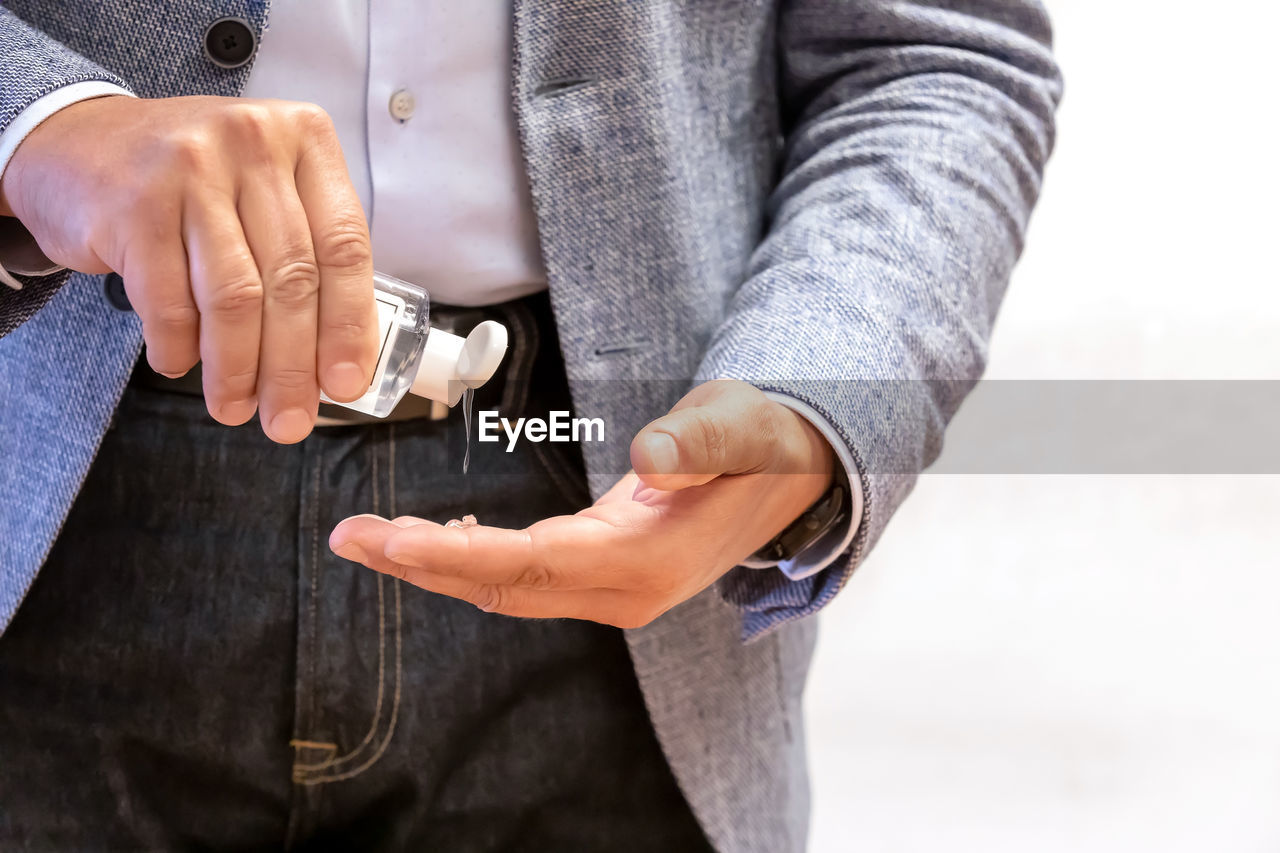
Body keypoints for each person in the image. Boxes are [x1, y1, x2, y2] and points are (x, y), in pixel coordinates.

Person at [0, 1, 1061, 850]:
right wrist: (38, 120)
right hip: (44, 506)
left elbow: (929, 56)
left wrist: (815, 387)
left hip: (619, 545)